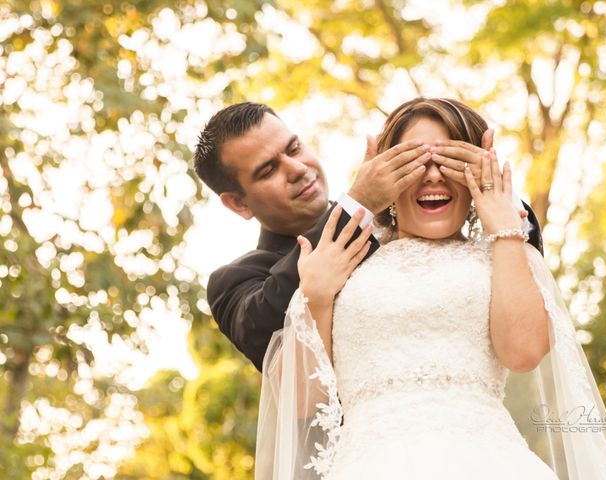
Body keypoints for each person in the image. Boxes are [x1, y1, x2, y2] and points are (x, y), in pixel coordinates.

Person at [255, 98, 606, 479]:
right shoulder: (341, 261)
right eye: (414, 161)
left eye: (449, 161)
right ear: (383, 174)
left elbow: (523, 353)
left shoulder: (504, 255)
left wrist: (504, 226)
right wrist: (315, 296)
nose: (433, 176)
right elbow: (301, 400)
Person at [193, 102, 544, 372]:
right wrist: (357, 203)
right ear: (238, 203)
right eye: (268, 169)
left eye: (295, 148)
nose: (298, 169)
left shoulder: (403, 222)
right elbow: (278, 338)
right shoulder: (233, 283)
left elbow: (509, 279)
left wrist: (495, 193)